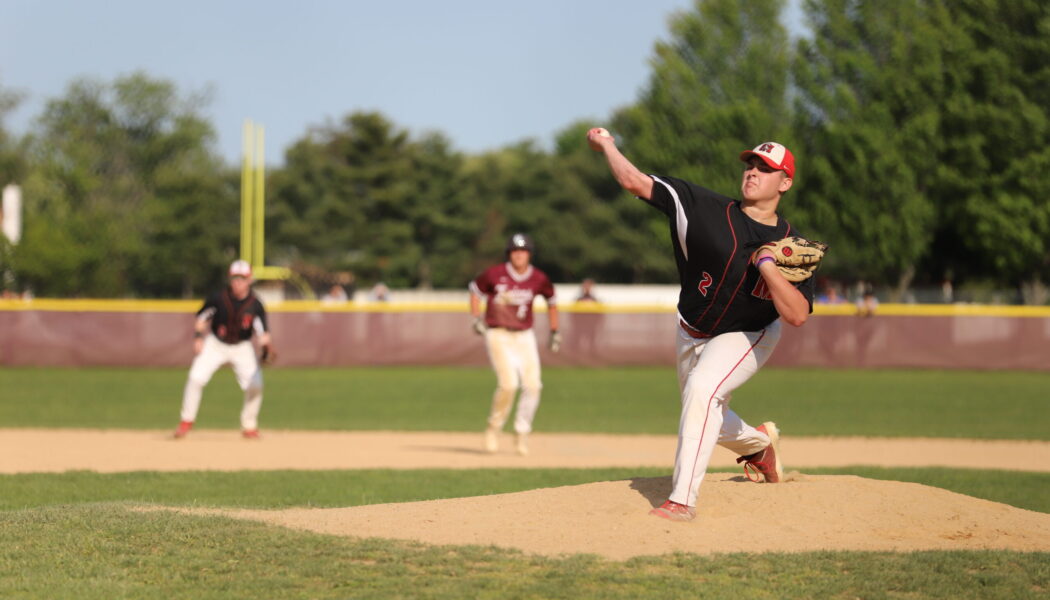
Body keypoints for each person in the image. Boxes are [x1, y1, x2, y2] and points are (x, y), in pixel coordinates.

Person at [587, 129, 816, 522]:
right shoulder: (703, 208)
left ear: (785, 183)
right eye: (751, 164)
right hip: (691, 328)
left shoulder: (792, 246)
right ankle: (758, 446)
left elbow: (796, 315)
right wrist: (607, 144)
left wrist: (768, 266)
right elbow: (633, 181)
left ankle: (682, 501)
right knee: (703, 407)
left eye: (766, 169)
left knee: (702, 391)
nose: (753, 172)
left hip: (750, 332)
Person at [469, 233, 561, 455]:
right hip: (498, 333)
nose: (519, 255)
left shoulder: (538, 278)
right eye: (515, 251)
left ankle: (522, 432)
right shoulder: (495, 274)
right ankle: (493, 429)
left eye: (523, 251)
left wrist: (554, 330)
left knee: (533, 385)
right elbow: (475, 290)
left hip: (524, 335)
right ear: (509, 254)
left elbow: (551, 300)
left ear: (530, 254)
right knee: (509, 384)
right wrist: (476, 317)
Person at [173, 260, 276, 440]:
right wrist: (198, 337)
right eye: (235, 278)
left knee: (256, 385)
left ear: (249, 280)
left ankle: (249, 426)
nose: (238, 282)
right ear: (230, 279)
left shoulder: (255, 304)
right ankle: (186, 421)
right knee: (195, 378)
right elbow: (202, 318)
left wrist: (266, 347)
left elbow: (263, 333)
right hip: (216, 344)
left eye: (242, 278)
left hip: (242, 346)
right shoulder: (218, 298)